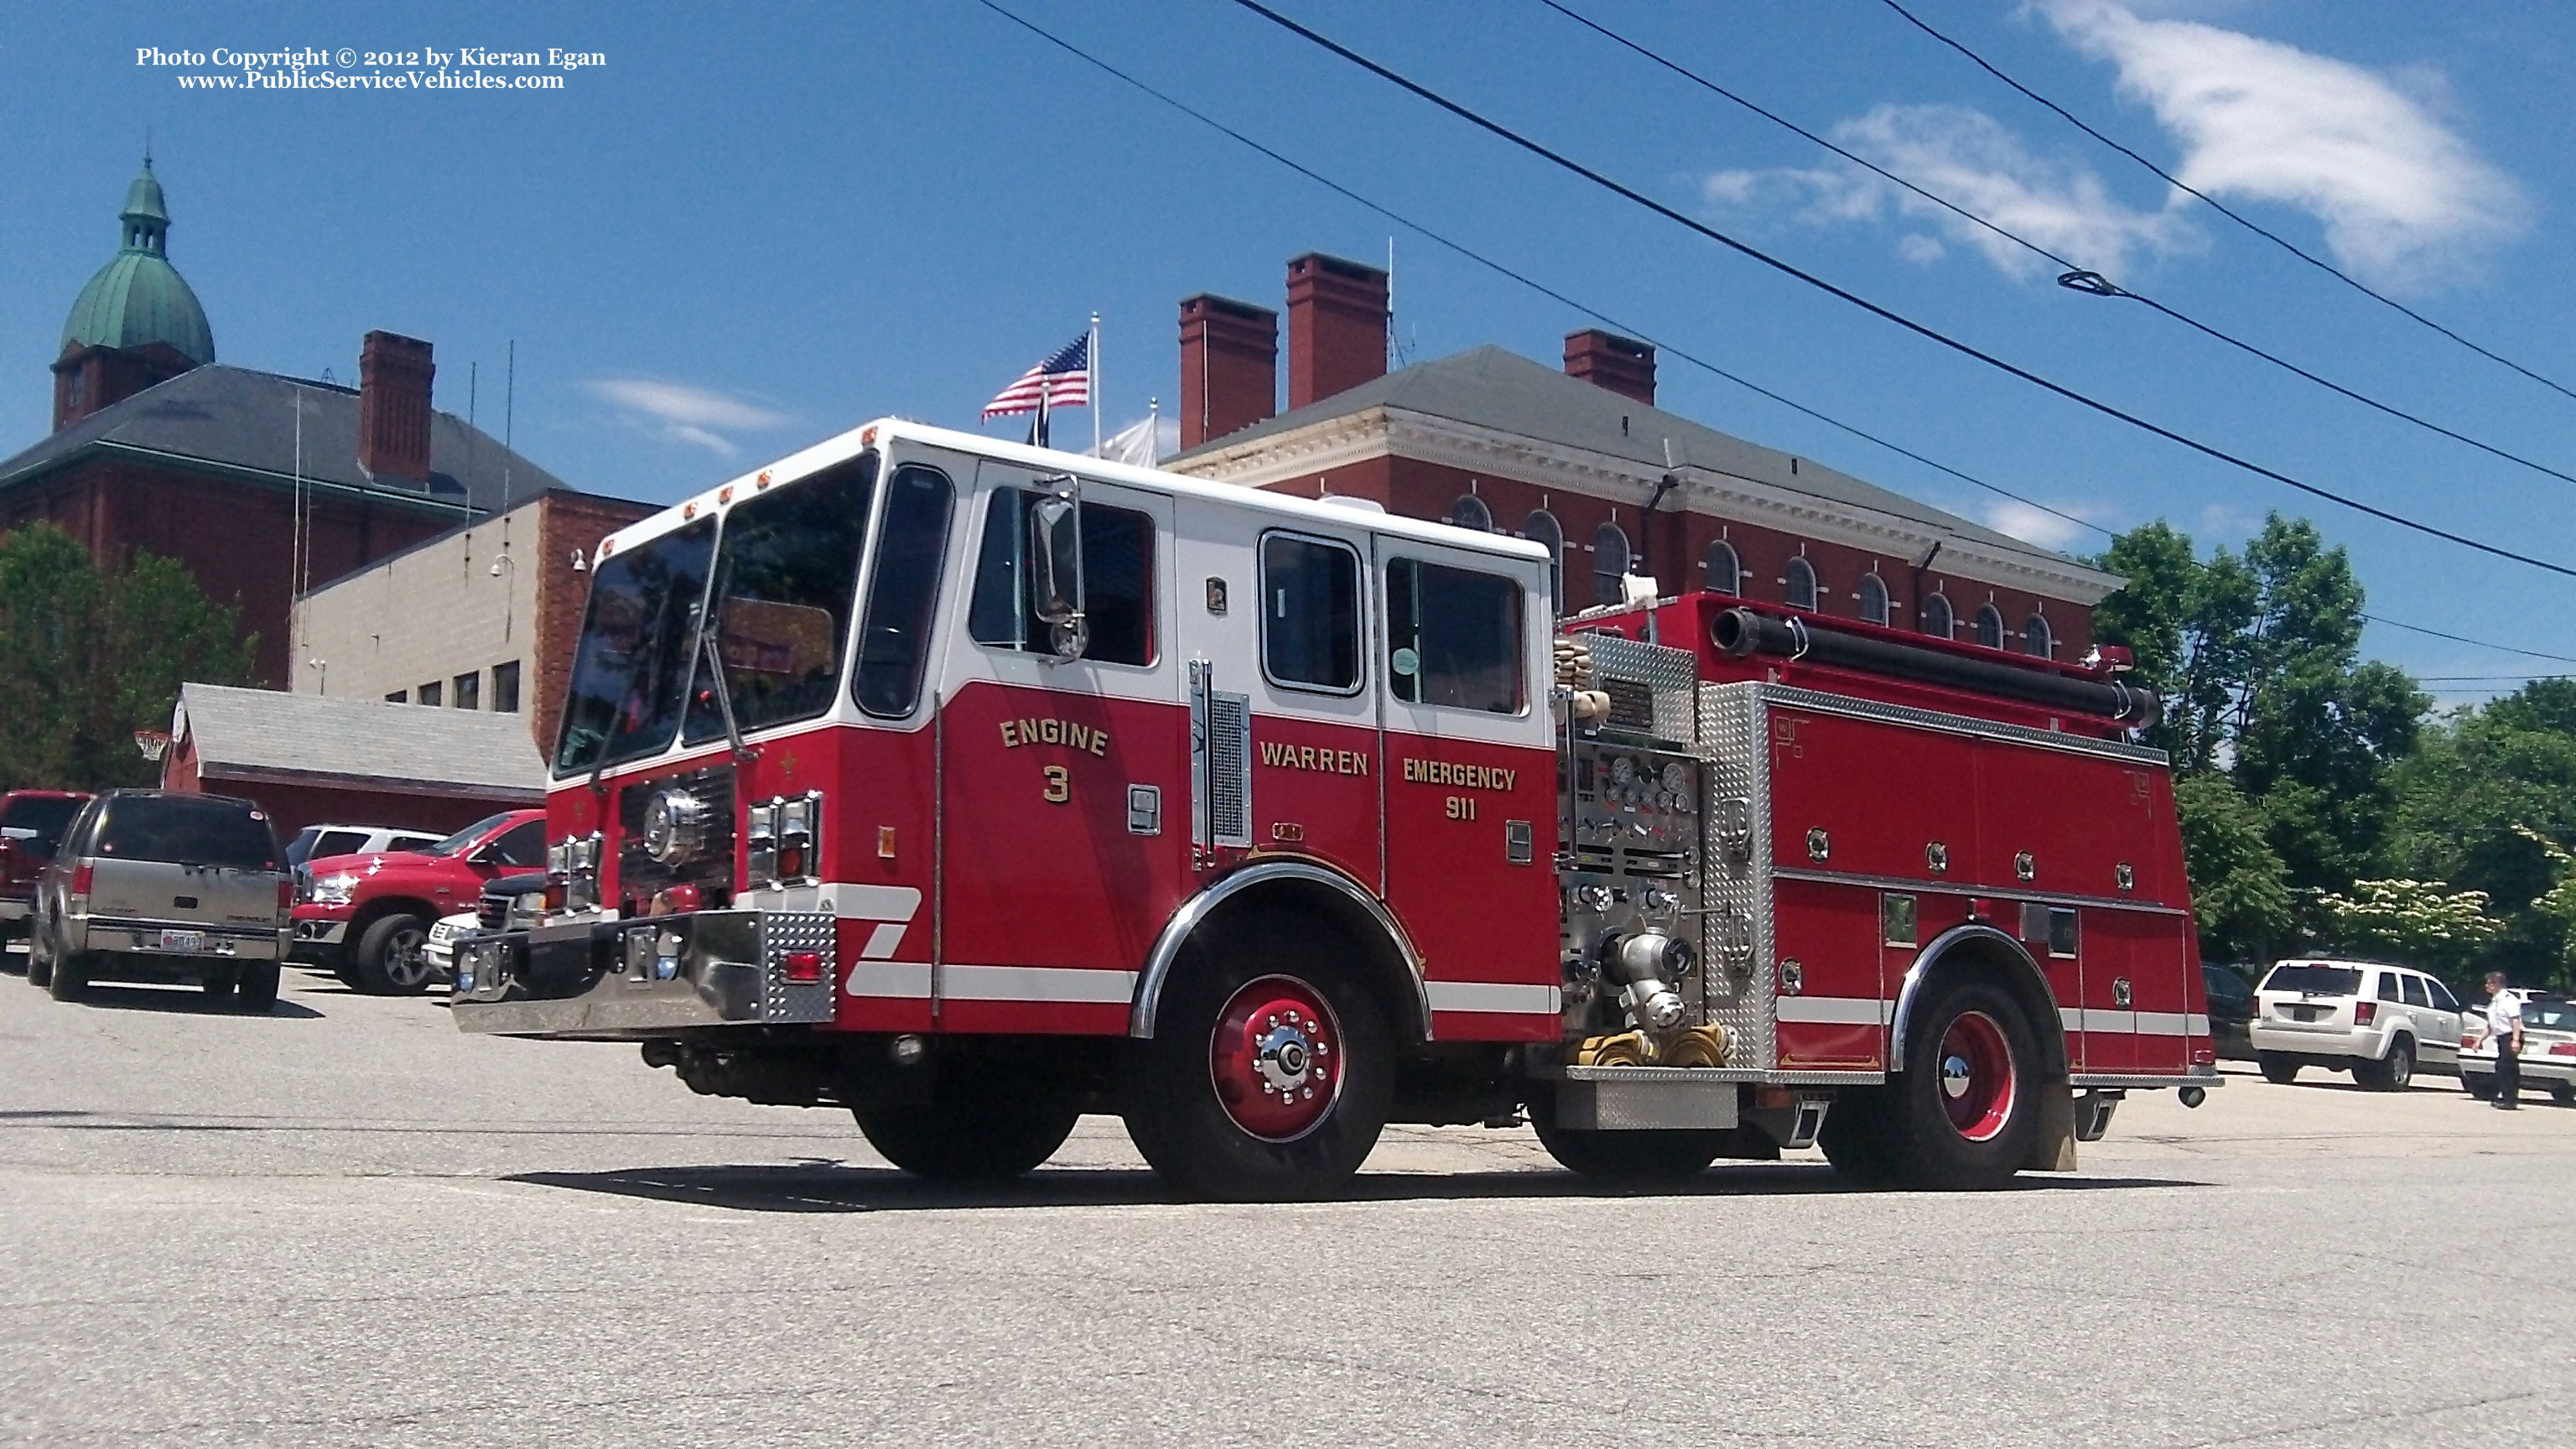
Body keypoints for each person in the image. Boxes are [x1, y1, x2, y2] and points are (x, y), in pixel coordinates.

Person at [2485, 971, 2524, 1110]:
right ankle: (2507, 1097)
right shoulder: (2495, 1002)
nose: (2487, 986)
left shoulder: (2509, 1000)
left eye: (2490, 983)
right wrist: (2479, 1040)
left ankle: (2510, 1100)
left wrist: (2516, 1040)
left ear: (2498, 984)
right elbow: (2491, 1025)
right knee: (2504, 1067)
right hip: (2502, 1037)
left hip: (2511, 1035)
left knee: (2505, 1067)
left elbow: (2516, 1021)